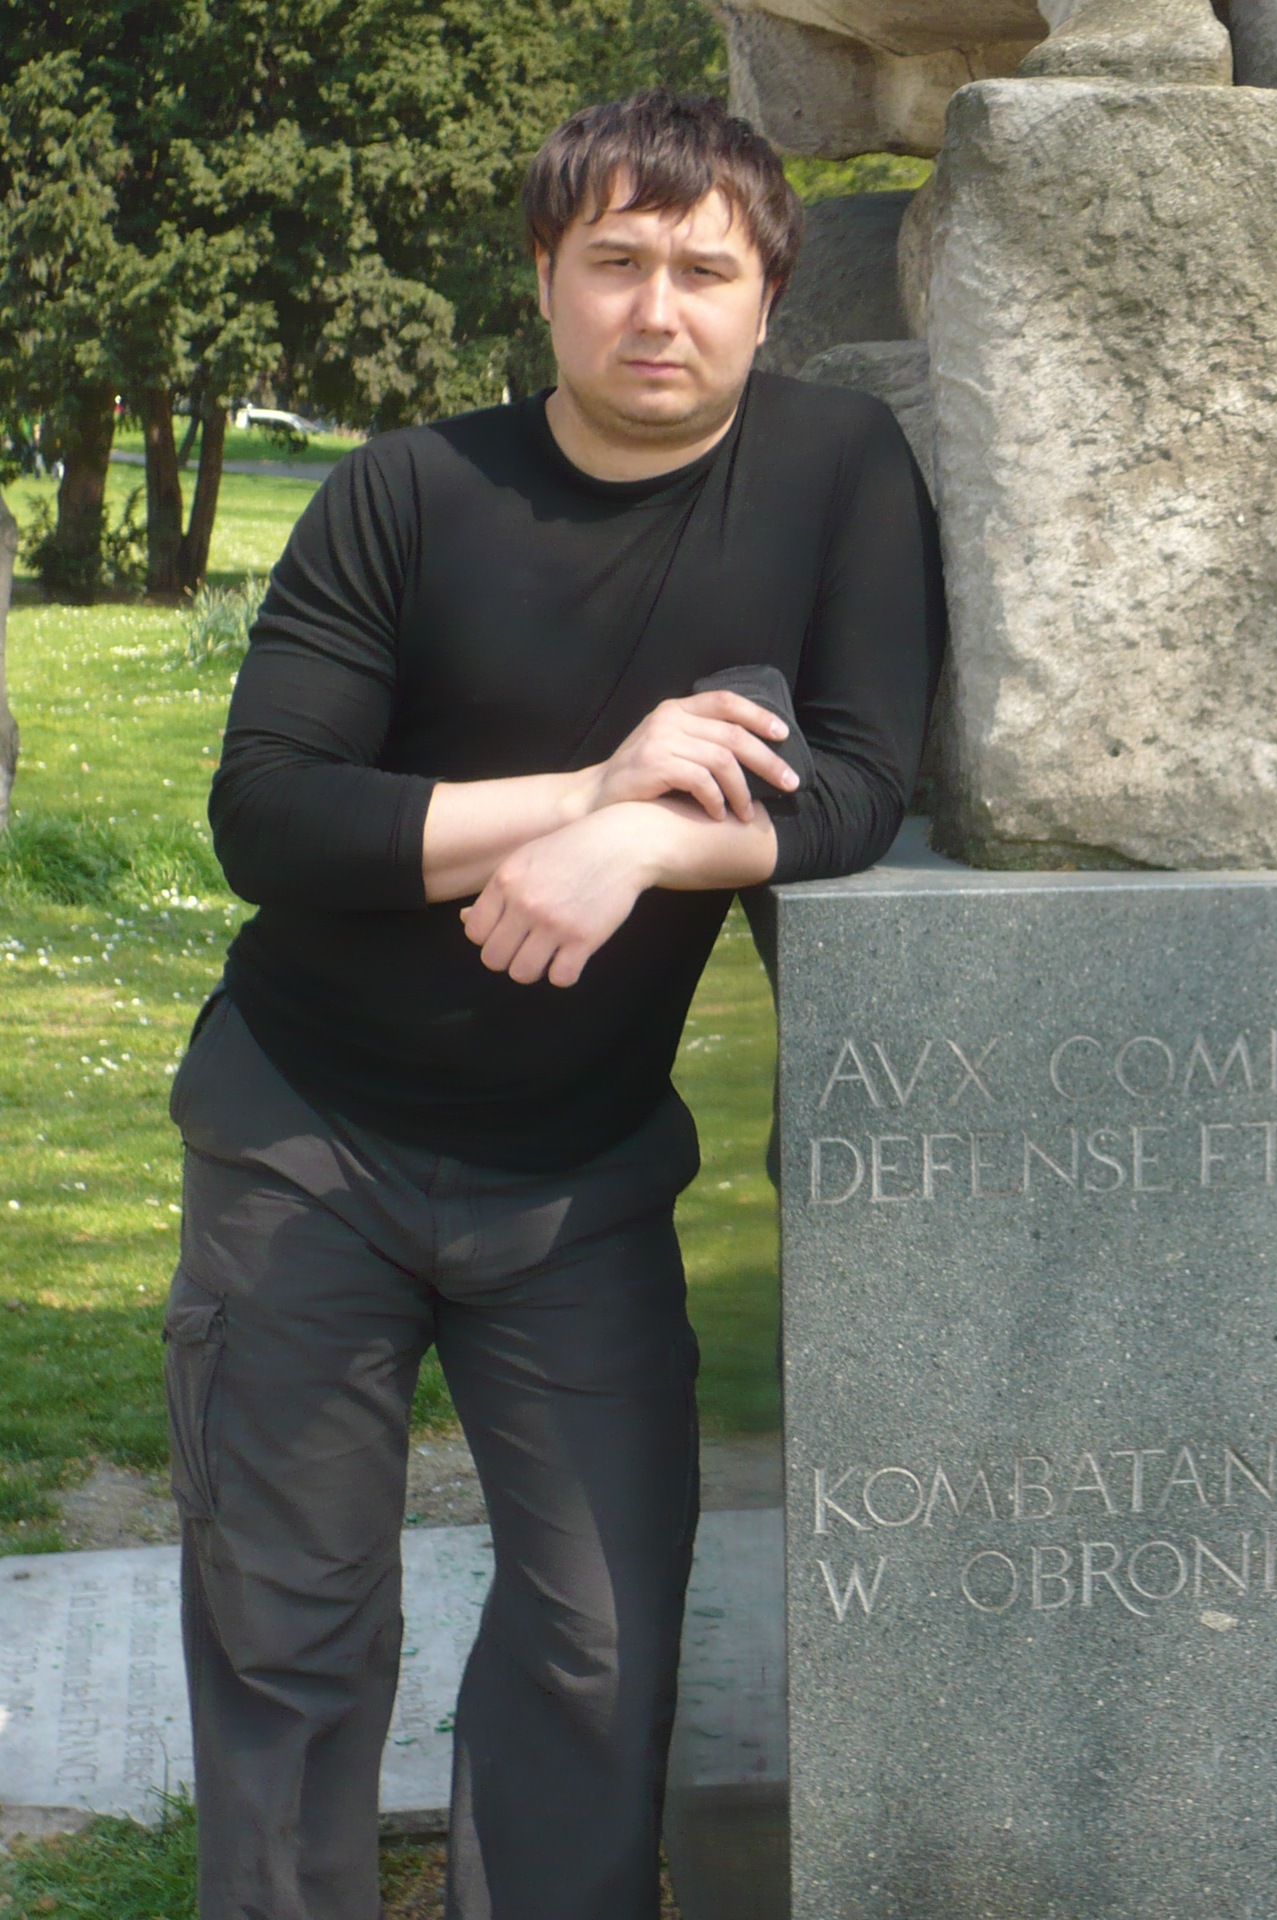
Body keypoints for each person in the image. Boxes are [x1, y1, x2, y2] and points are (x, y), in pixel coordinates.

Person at [165, 88, 941, 1919]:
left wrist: (644, 847)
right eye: (614, 262)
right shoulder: (408, 493)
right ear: (543, 280)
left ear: (769, 296)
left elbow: (856, 786)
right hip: (305, 1141)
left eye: (704, 271)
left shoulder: (837, 473)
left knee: (598, 1644)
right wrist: (588, 791)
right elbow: (269, 817)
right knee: (290, 1635)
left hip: (581, 1178)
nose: (656, 309)